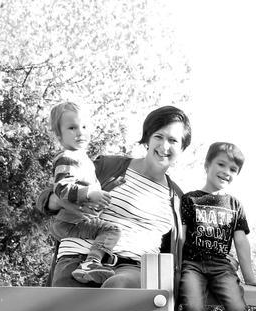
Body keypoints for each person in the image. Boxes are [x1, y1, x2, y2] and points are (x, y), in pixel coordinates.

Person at [39, 105, 191, 291]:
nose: (164, 146)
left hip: (132, 269)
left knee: (118, 287)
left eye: (173, 140)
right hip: (78, 257)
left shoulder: (177, 199)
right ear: (148, 139)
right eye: (158, 136)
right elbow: (49, 195)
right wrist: (63, 202)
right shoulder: (110, 166)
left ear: (182, 147)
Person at [179, 142, 256, 311]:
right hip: (193, 264)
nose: (226, 171)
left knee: (238, 309)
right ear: (207, 165)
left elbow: (241, 241)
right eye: (221, 164)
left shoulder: (234, 204)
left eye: (233, 169)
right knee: (193, 309)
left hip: (221, 266)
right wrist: (174, 269)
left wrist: (250, 277)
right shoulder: (190, 199)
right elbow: (181, 237)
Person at [45, 102, 121, 284]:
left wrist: (110, 187)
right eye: (72, 128)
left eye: (84, 126)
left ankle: (91, 263)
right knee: (111, 230)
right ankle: (91, 263)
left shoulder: (81, 158)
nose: (80, 132)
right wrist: (89, 193)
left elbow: (90, 191)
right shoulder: (67, 157)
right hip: (70, 222)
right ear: (59, 135)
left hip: (75, 219)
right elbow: (62, 187)